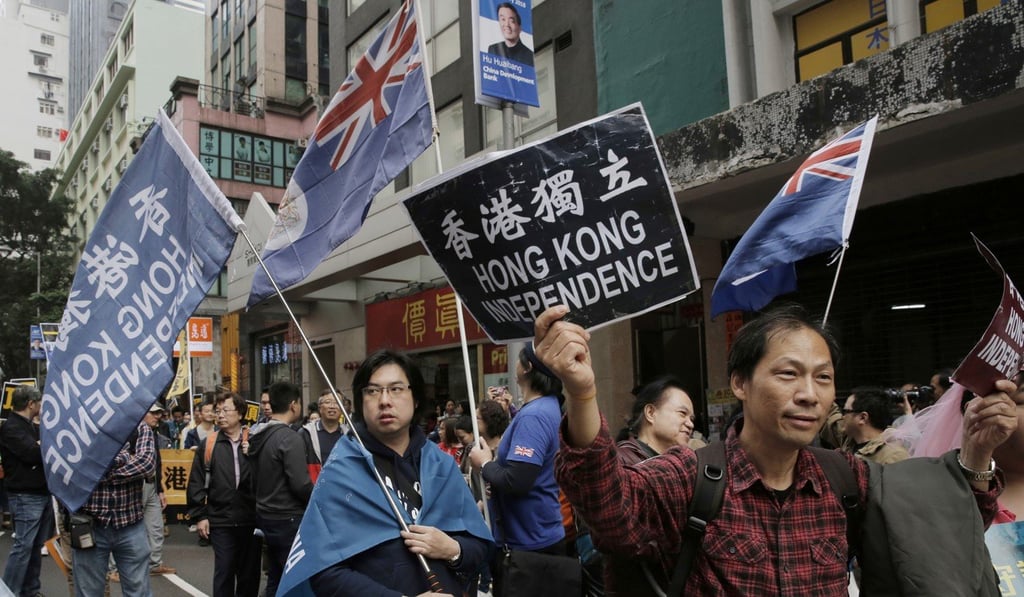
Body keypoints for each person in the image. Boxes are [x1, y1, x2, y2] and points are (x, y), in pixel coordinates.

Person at [538, 303, 1016, 596]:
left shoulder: (848, 479)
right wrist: (582, 393)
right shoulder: (689, 477)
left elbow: (937, 534)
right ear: (740, 383)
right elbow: (608, 507)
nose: (809, 393)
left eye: (823, 378)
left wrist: (975, 452)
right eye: (788, 374)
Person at [306, 349, 493, 596]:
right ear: (361, 403)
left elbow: (479, 549)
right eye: (373, 391)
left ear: (415, 399)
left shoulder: (442, 465)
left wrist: (451, 549)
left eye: (396, 389)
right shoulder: (341, 471)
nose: (385, 400)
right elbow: (324, 573)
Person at [469, 345, 565, 596]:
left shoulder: (534, 415)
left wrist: (485, 463)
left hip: (528, 545)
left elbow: (517, 480)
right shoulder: (547, 406)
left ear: (527, 367)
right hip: (537, 535)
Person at [71, 417, 158, 597]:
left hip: (131, 524)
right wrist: (126, 456)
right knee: (89, 592)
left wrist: (103, 471)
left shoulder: (140, 427)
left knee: (139, 592)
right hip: (90, 524)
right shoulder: (81, 428)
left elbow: (147, 464)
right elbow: (78, 466)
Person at [187, 391, 262, 597]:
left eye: (225, 410)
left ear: (240, 414)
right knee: (225, 571)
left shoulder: (255, 441)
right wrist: (200, 516)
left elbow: (265, 478)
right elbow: (196, 481)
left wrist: (252, 455)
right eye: (217, 411)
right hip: (221, 519)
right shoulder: (209, 444)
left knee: (249, 575)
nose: (220, 415)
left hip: (251, 519)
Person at [247, 381, 313, 597]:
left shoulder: (258, 435)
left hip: (265, 514)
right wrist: (315, 500)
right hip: (288, 517)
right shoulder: (289, 438)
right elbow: (300, 484)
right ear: (294, 405)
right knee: (296, 576)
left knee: (276, 574)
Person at [0, 386, 54, 596]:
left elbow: (40, 448)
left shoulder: (30, 426)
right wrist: (40, 445)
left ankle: (30, 590)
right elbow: (33, 453)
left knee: (34, 546)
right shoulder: (12, 427)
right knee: (23, 547)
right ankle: (9, 591)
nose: (41, 406)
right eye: (39, 402)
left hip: (40, 492)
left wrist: (40, 443)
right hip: (25, 495)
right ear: (31, 404)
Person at [616, 375, 697, 465]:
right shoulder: (620, 462)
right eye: (682, 413)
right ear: (650, 413)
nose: (690, 424)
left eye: (692, 419)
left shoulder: (684, 466)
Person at [143, 403, 177, 576]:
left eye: (159, 413)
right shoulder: (131, 432)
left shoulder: (154, 434)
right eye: (154, 413)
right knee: (125, 529)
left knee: (156, 526)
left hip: (152, 486)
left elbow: (157, 464)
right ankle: (113, 568)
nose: (158, 416)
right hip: (135, 485)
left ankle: (154, 563)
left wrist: (161, 489)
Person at [838, 387, 909, 464]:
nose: (842, 417)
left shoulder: (893, 455)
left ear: (862, 418)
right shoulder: (849, 443)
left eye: (845, 411)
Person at [301, 389, 348, 482]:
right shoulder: (306, 433)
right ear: (320, 408)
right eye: (328, 402)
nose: (332, 406)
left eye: (336, 402)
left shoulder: (349, 435)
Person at [486, 2, 534, 66]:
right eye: (503, 19)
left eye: (512, 21)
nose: (506, 25)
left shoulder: (529, 56)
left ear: (519, 28)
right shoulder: (493, 49)